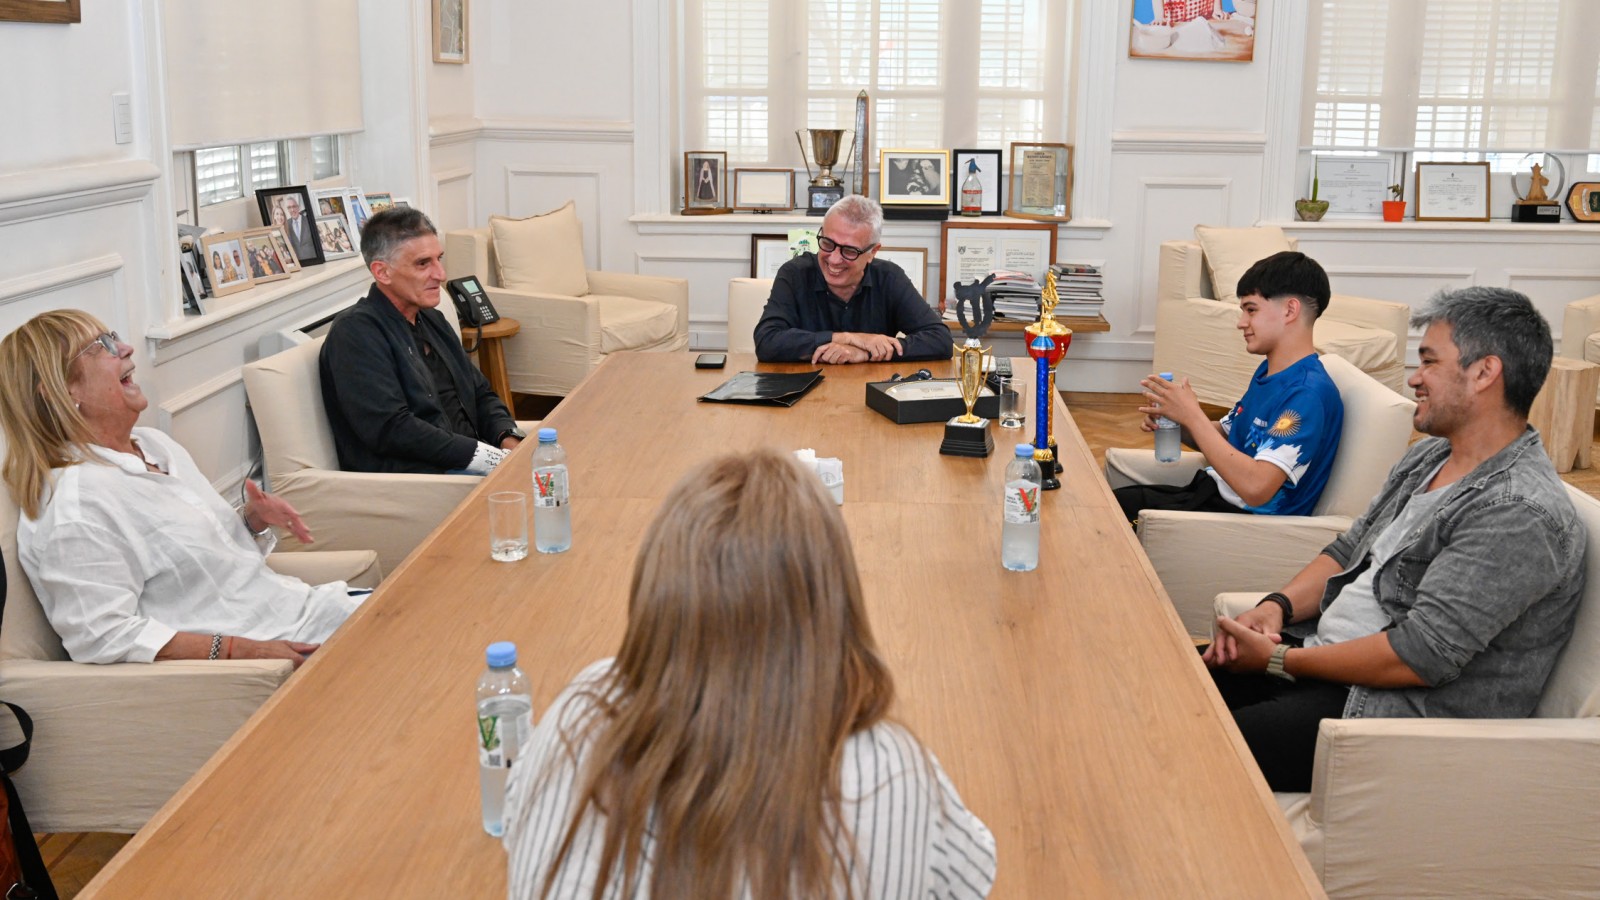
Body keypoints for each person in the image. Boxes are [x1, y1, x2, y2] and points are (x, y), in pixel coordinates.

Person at [503, 448, 997, 899]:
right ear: (835, 605)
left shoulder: (576, 718)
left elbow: (515, 821)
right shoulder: (890, 771)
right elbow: (970, 875)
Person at [1204, 287, 1584, 792]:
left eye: (1429, 361)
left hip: (1386, 719)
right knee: (1165, 682)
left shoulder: (1518, 511)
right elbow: (1349, 550)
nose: (1414, 377)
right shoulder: (1429, 457)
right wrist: (1277, 607)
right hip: (1325, 663)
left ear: (1484, 373)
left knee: (1193, 745)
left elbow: (1420, 652)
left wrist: (1278, 660)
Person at [0, 311, 364, 667]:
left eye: (113, 337)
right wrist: (239, 651)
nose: (126, 348)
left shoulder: (154, 444)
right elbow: (102, 635)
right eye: (101, 346)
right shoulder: (78, 504)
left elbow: (204, 569)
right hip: (288, 647)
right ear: (61, 392)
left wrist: (252, 521)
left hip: (312, 609)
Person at [1114, 251, 1344, 521]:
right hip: (1213, 494)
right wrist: (1177, 421)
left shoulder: (1306, 393)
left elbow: (1256, 488)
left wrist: (1193, 415)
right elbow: (1227, 437)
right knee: (1111, 501)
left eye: (1251, 310)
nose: (1241, 323)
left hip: (1239, 519)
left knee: (1110, 511)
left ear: (1290, 310)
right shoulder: (1270, 373)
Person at [319, 207, 522, 475]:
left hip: (471, 460)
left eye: (439, 259)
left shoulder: (431, 318)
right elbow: (392, 429)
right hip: (420, 478)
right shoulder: (355, 333)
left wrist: (507, 437)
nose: (441, 274)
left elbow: (480, 393)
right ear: (382, 272)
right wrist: (489, 459)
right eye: (423, 264)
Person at [754, 195, 953, 364]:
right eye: (827, 243)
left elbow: (941, 340)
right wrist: (848, 338)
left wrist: (866, 353)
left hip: (872, 389)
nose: (834, 259)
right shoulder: (794, 273)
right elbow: (766, 341)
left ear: (873, 252)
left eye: (849, 251)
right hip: (802, 389)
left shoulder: (890, 278)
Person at [283, 195, 318, 262]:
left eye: (294, 206)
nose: (292, 210)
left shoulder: (309, 220)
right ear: (287, 210)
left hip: (313, 260)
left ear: (298, 207)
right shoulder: (286, 224)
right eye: (289, 207)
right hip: (298, 263)